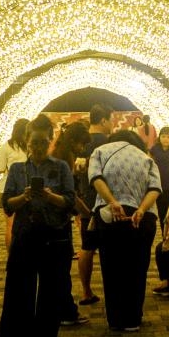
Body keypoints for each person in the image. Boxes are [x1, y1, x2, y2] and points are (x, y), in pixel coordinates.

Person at [0, 114, 76, 337]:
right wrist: (24, 197)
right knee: (16, 291)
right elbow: (7, 205)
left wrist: (49, 196)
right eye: (34, 142)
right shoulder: (17, 170)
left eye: (43, 142)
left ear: (50, 141)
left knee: (51, 293)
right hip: (25, 235)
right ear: (26, 141)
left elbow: (69, 201)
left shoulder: (60, 167)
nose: (38, 147)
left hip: (54, 238)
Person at [89, 129, 162, 332]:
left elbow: (95, 178)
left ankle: (115, 319)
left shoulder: (100, 151)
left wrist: (113, 202)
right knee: (137, 268)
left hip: (110, 217)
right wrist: (141, 209)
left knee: (111, 269)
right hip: (141, 218)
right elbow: (155, 188)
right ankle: (133, 319)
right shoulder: (146, 158)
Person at [49, 120, 93, 326]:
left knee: (59, 267)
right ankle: (65, 311)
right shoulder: (63, 160)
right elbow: (69, 193)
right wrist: (86, 211)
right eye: (81, 145)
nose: (82, 149)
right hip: (58, 219)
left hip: (57, 218)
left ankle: (61, 309)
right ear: (74, 141)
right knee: (61, 266)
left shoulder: (59, 155)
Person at [77, 103, 113, 306]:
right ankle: (113, 291)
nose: (112, 125)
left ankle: (86, 291)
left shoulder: (81, 144)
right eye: (111, 120)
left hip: (86, 202)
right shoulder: (108, 143)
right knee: (111, 249)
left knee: (87, 247)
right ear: (103, 120)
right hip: (108, 201)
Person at [0, 118, 29, 248]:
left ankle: (11, 257)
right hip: (27, 188)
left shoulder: (6, 147)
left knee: (9, 225)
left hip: (7, 188)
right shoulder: (30, 147)